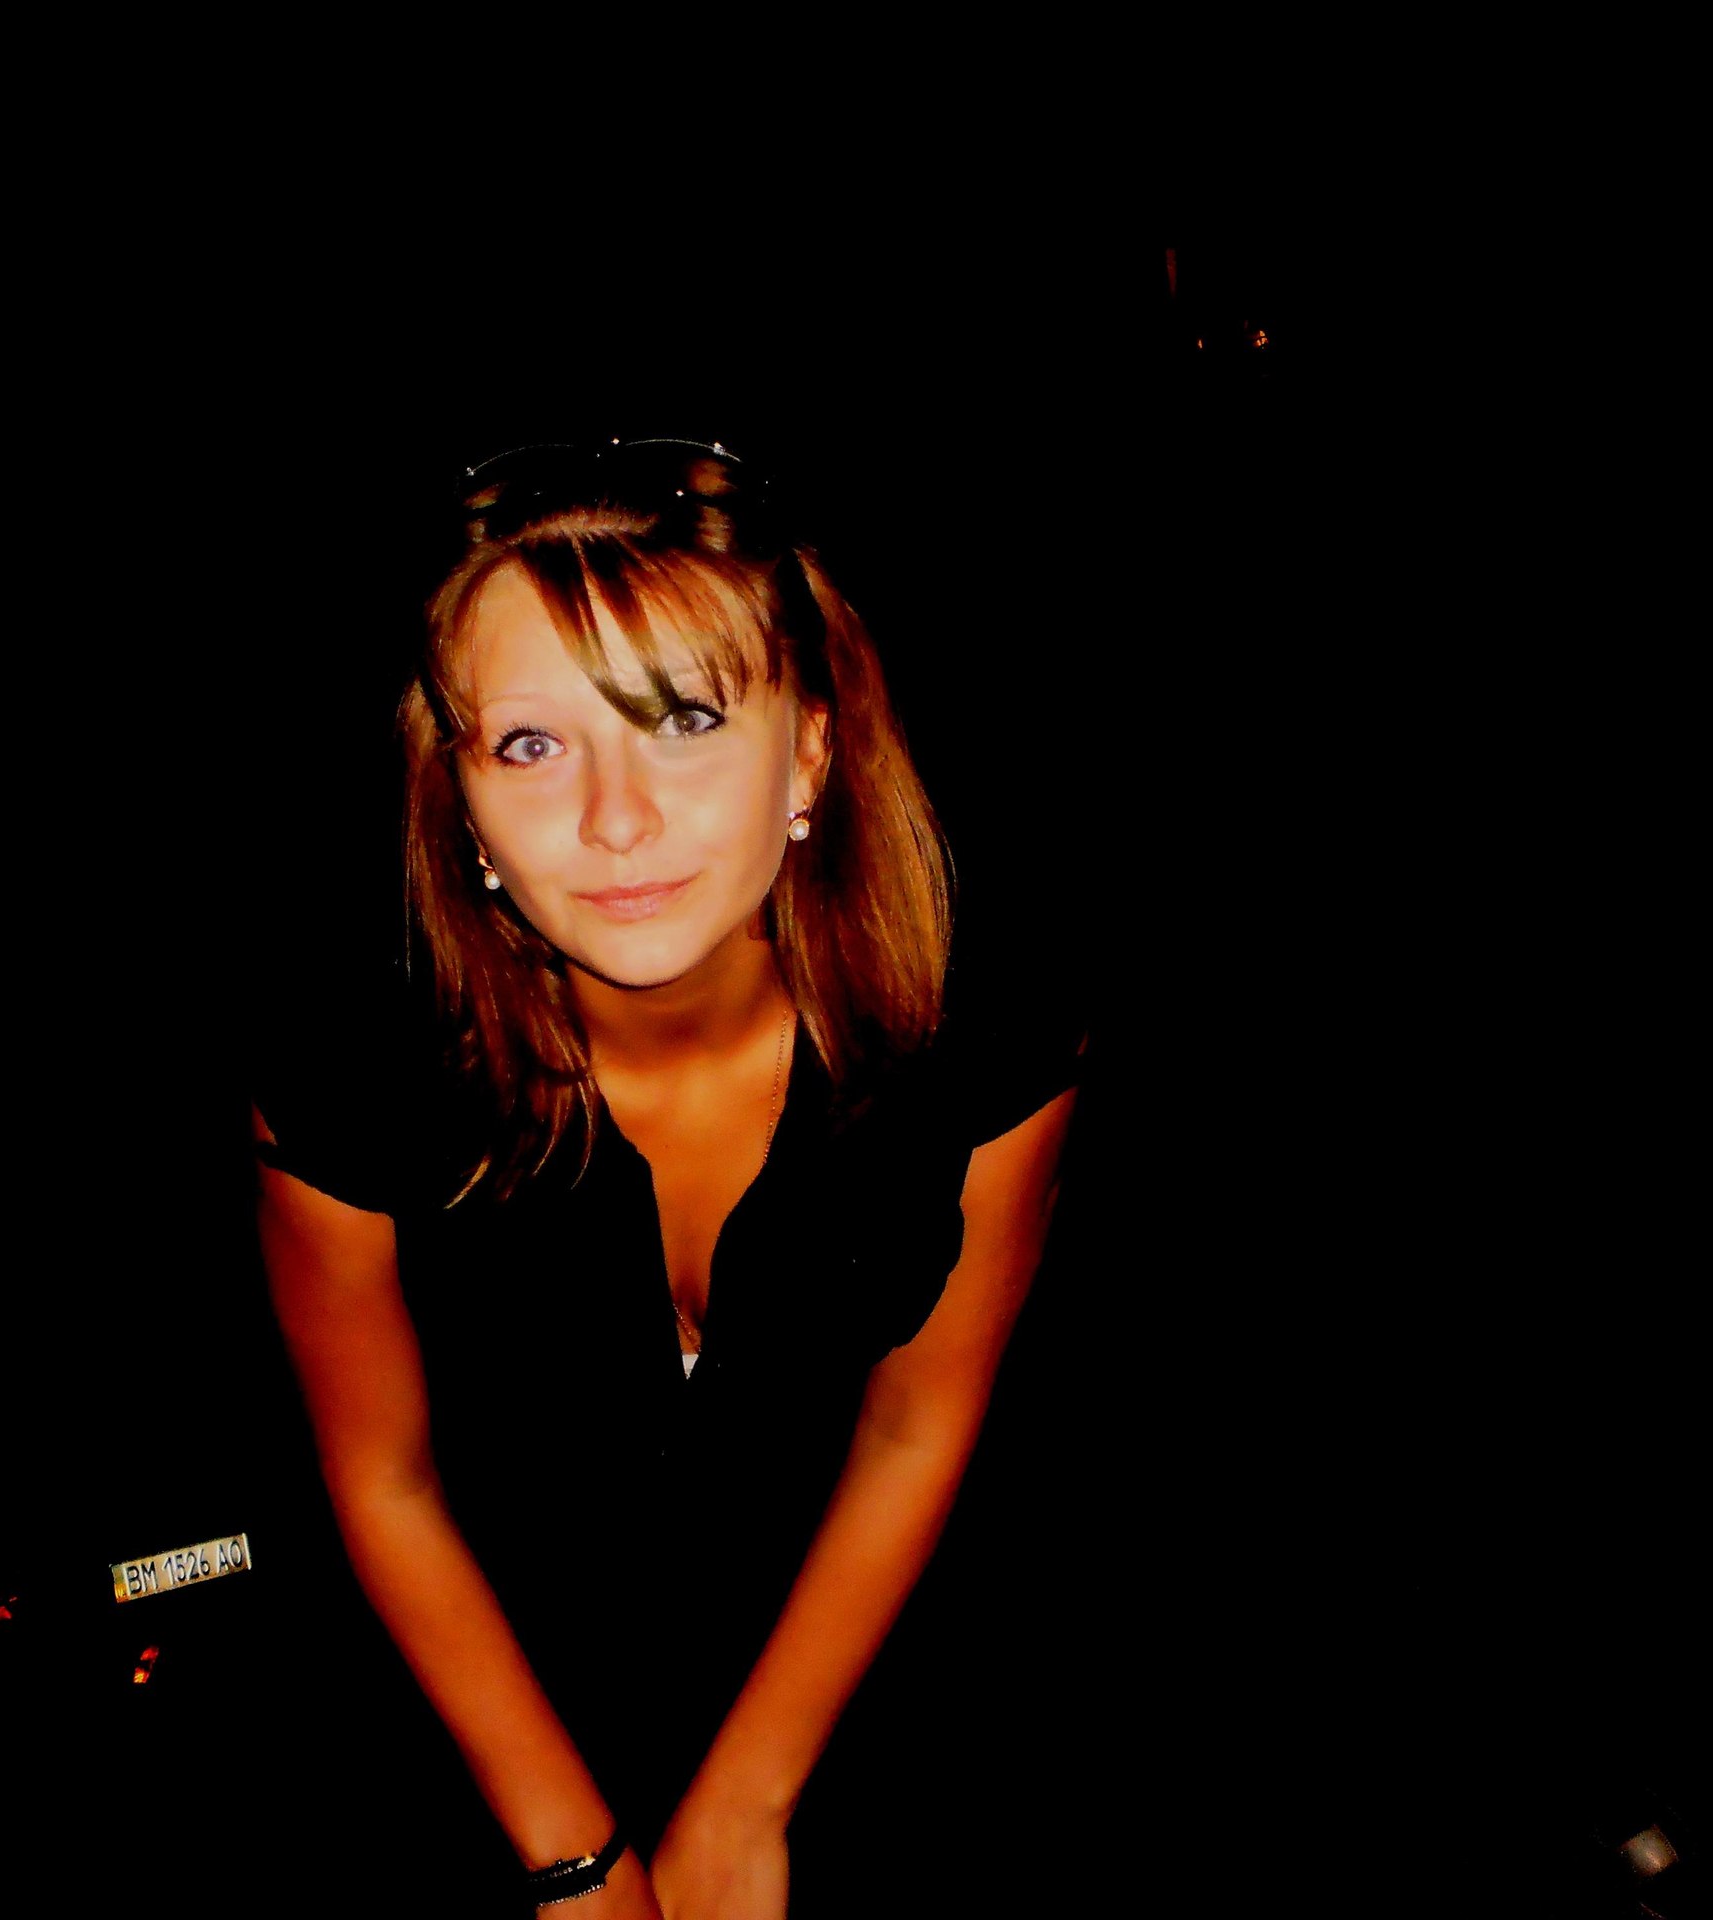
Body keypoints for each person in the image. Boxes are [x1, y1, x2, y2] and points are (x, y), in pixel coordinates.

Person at [247, 437, 1083, 1917]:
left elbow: (918, 1423)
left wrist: (746, 1805)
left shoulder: (979, 1029)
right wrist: (575, 1859)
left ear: (809, 751)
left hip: (849, 1671)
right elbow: (383, 1478)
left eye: (685, 718)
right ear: (457, 796)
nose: (616, 819)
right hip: (484, 1705)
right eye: (530, 744)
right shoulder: (355, 1071)